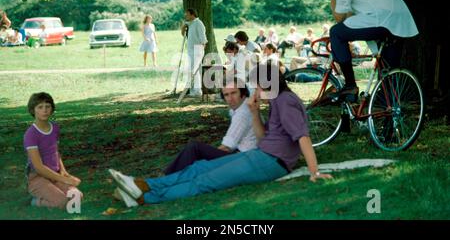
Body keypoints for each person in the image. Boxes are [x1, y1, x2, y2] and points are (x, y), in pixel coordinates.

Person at [108, 62, 332, 207]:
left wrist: (315, 171)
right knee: (198, 168)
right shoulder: (275, 101)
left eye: (257, 86)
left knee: (205, 181)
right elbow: (264, 140)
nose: (254, 91)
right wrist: (254, 113)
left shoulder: (286, 101)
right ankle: (143, 184)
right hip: (260, 155)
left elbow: (302, 137)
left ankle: (143, 197)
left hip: (271, 162)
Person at [326, 0, 419, 102]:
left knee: (336, 33)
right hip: (401, 23)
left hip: (381, 20)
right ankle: (391, 117)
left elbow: (339, 18)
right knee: (388, 74)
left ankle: (350, 85)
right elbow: (351, 16)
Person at [163, 78, 257, 175]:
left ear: (243, 93)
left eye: (233, 93)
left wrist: (208, 156)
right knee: (196, 151)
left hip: (243, 158)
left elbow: (227, 147)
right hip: (244, 155)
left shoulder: (242, 114)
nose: (230, 99)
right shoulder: (242, 107)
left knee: (194, 147)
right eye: (226, 95)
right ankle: (171, 174)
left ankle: (169, 176)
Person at [23, 92, 82, 209]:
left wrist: (64, 172)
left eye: (47, 106)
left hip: (55, 175)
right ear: (33, 110)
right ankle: (35, 201)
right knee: (61, 202)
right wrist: (65, 180)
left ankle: (52, 192)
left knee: (77, 196)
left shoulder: (54, 127)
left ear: (52, 108)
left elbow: (55, 152)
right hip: (38, 177)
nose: (44, 110)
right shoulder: (31, 134)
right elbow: (38, 167)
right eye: (40, 107)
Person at [181, 8, 208, 97]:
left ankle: (197, 91)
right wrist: (183, 27)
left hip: (197, 49)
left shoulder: (198, 24)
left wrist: (200, 51)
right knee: (192, 70)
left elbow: (203, 39)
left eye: (187, 14)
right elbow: (183, 34)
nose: (186, 16)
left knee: (195, 70)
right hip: (190, 49)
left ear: (192, 15)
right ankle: (193, 90)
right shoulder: (190, 24)